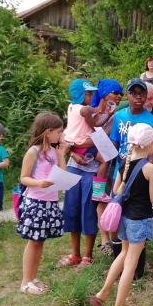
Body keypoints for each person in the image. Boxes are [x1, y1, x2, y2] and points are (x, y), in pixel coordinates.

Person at [88, 123, 153, 306]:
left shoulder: (125, 160)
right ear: (149, 144)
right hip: (139, 219)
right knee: (131, 263)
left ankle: (103, 294)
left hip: (124, 218)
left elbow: (116, 191)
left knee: (124, 254)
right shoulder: (150, 168)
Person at [108, 79, 153, 273]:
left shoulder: (151, 121)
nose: (138, 96)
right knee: (119, 216)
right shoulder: (119, 116)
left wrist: (150, 178)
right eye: (134, 93)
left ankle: (137, 266)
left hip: (141, 175)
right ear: (128, 95)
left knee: (138, 216)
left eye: (142, 93)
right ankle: (119, 259)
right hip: (121, 173)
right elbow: (114, 144)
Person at [16, 112, 67, 295]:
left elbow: (62, 173)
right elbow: (23, 178)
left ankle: (33, 277)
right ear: (48, 132)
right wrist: (39, 183)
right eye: (59, 132)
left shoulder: (54, 152)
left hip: (50, 201)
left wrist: (62, 154)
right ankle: (25, 281)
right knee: (33, 242)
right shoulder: (34, 152)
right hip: (35, 202)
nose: (61, 135)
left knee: (40, 242)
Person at [59, 79, 102, 269]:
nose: (91, 97)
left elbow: (98, 137)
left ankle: (87, 255)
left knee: (88, 210)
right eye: (87, 93)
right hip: (74, 165)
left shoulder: (102, 114)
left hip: (92, 168)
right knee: (71, 208)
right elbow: (66, 140)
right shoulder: (75, 109)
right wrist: (74, 152)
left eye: (93, 93)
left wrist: (78, 145)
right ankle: (75, 253)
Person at [89, 79, 124, 256]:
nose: (118, 96)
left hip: (111, 161)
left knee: (109, 199)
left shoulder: (119, 112)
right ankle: (104, 240)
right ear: (104, 93)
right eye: (114, 93)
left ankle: (113, 238)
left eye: (120, 94)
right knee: (100, 199)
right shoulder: (92, 111)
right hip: (93, 162)